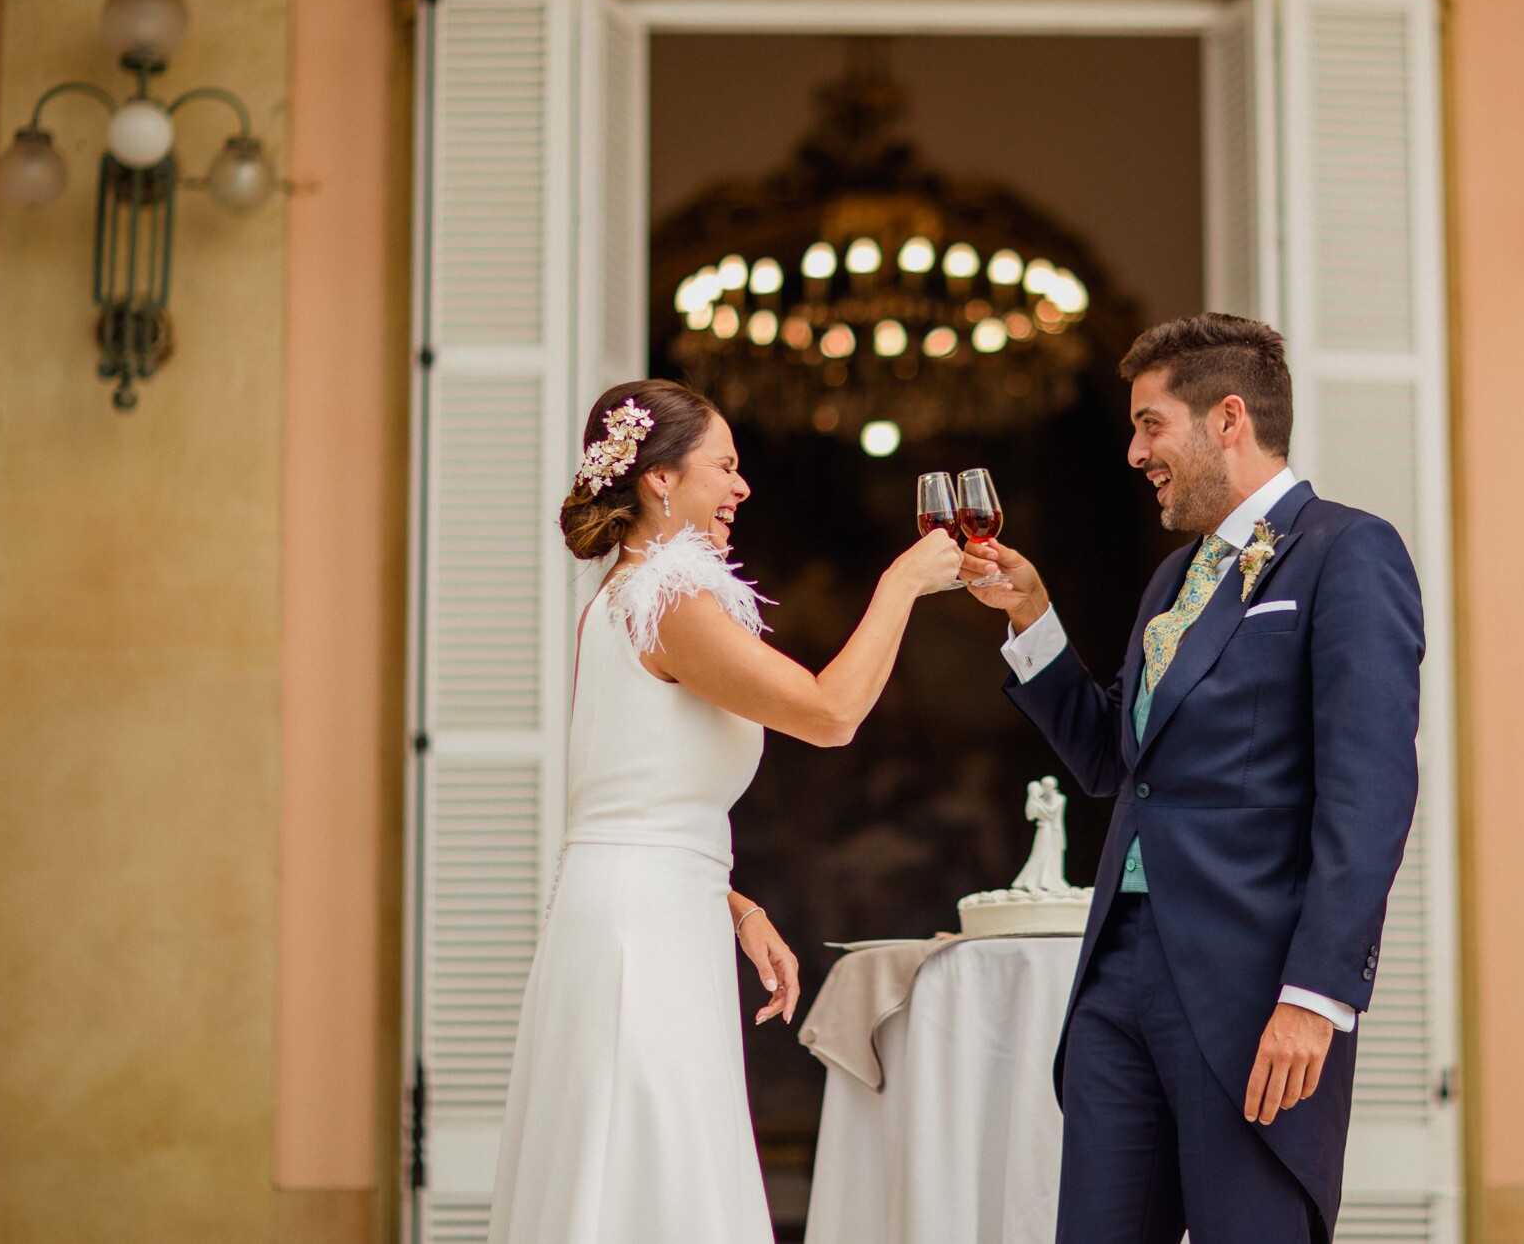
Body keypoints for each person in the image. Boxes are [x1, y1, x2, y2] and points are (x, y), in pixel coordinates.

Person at [960, 313, 1425, 1243]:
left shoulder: (1348, 551)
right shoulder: (1173, 577)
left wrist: (1316, 994)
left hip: (1251, 988)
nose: (1135, 452)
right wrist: (1031, 618)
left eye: (1148, 424)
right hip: (1117, 977)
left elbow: (1368, 792)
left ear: (1227, 418)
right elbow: (1115, 764)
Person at [487, 378, 963, 1243]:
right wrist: (902, 582)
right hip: (641, 933)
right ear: (661, 479)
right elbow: (831, 713)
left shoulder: (630, 597)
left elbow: (636, 795)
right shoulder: (667, 600)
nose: (742, 487)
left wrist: (736, 906)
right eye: (725, 465)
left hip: (658, 911)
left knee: (657, 1167)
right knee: (655, 1169)